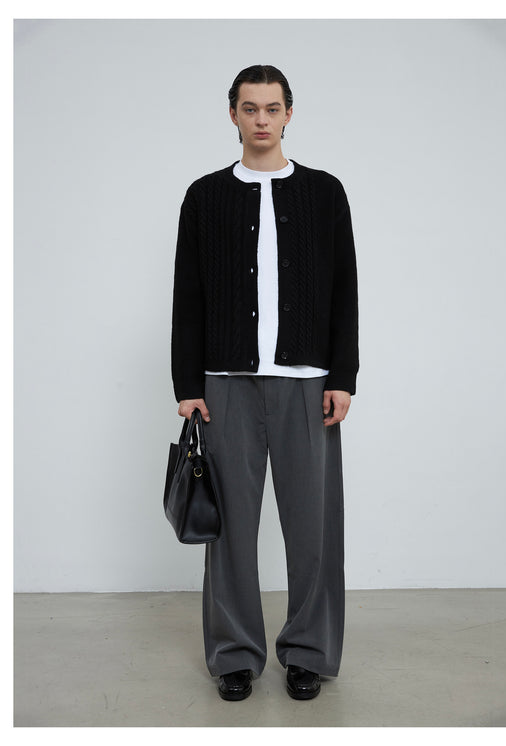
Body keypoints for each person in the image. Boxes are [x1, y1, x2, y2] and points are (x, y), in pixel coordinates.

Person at [171, 64, 359, 701]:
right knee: (229, 531)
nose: (260, 119)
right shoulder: (205, 196)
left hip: (308, 384)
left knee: (313, 528)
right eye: (249, 108)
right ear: (232, 114)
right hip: (225, 383)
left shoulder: (325, 193)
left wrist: (343, 375)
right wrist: (187, 383)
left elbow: (344, 289)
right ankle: (234, 654)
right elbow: (188, 294)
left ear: (288, 114)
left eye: (271, 108)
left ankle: (307, 651)